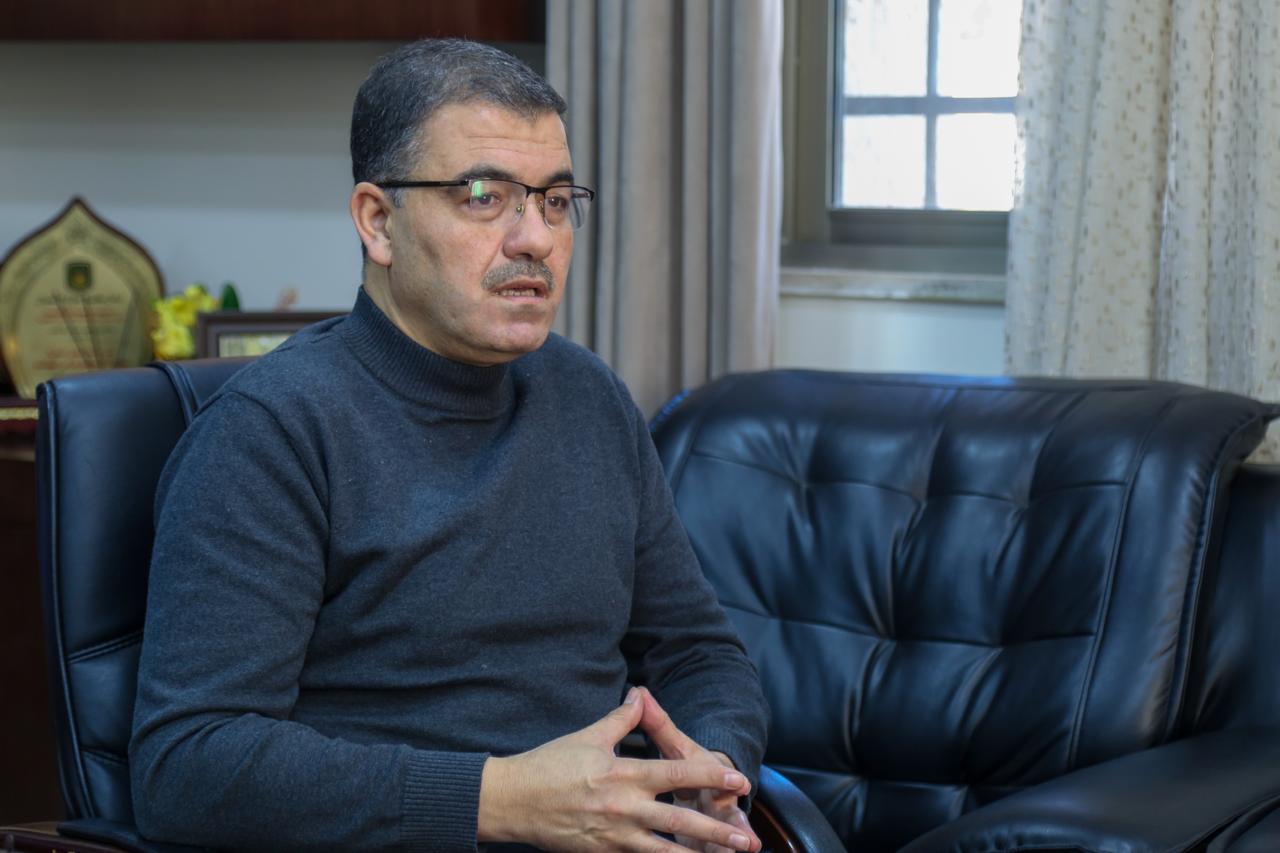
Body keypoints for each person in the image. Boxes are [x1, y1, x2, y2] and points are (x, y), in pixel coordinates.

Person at [129, 38, 769, 853]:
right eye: (483, 196)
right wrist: (498, 799)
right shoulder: (271, 432)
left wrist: (709, 772)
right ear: (378, 222)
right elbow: (188, 765)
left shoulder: (590, 397)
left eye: (556, 200)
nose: (534, 238)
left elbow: (699, 653)